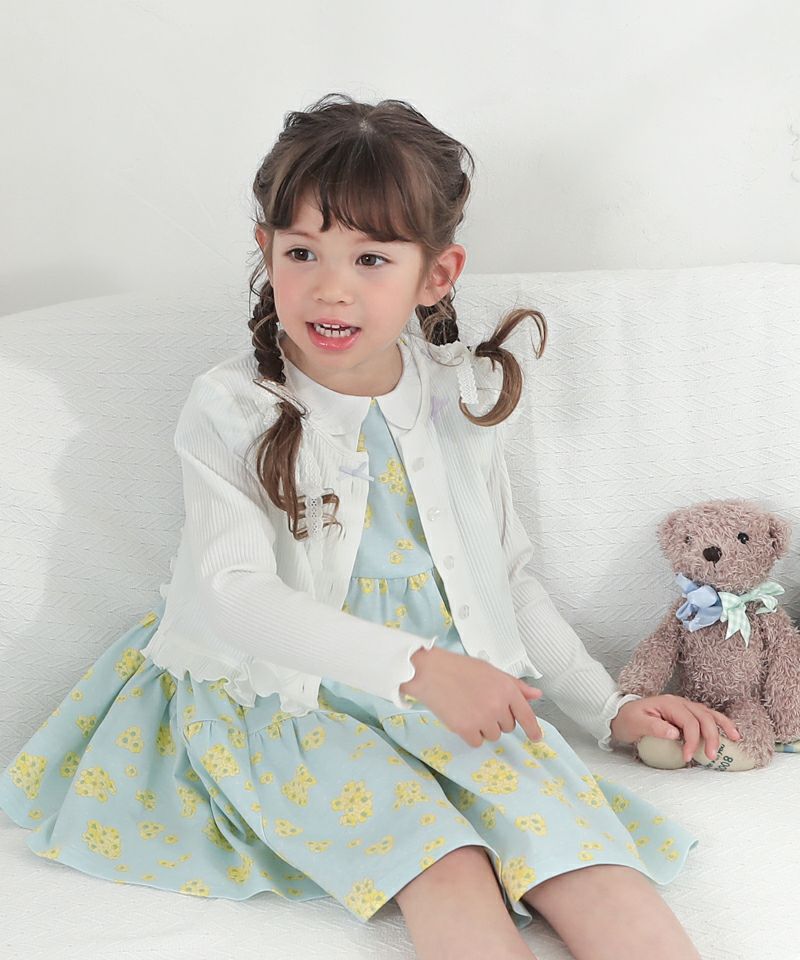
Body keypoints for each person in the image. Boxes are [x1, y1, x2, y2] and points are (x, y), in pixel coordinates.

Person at [0, 93, 741, 960]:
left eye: (371, 258)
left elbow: (507, 580)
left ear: (437, 275)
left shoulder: (458, 394)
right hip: (288, 703)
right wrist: (417, 669)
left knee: (588, 861)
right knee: (447, 865)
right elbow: (234, 596)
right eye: (302, 252)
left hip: (454, 699)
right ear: (266, 251)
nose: (331, 286)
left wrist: (609, 709)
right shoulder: (235, 407)